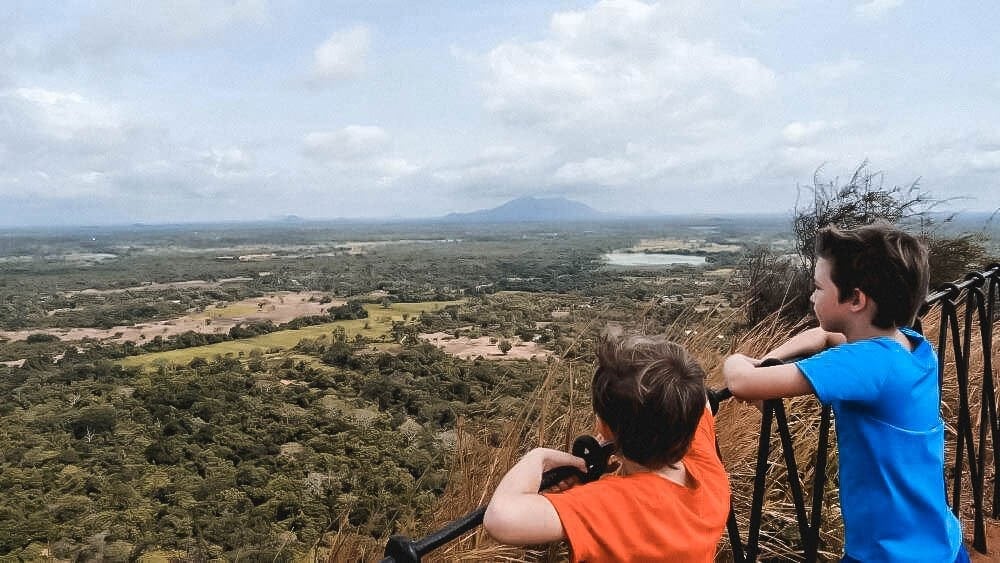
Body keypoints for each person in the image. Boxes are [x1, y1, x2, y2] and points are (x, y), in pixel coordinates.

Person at [723, 221, 967, 562]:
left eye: (818, 288)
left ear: (855, 299)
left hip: (889, 552)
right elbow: (822, 337)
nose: (812, 296)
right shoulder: (909, 346)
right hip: (939, 538)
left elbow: (742, 384)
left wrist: (736, 360)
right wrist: (771, 358)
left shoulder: (865, 365)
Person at [483, 325, 730, 562]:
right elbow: (700, 403)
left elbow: (501, 517)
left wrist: (538, 457)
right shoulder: (708, 470)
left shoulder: (612, 504)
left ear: (604, 427)